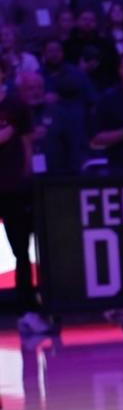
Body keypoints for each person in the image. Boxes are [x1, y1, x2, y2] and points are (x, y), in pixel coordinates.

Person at [0, 60, 51, 335]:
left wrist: (26, 175)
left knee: (24, 250)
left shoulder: (16, 106)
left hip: (15, 188)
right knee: (18, 249)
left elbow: (27, 142)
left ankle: (31, 307)